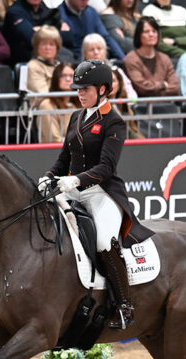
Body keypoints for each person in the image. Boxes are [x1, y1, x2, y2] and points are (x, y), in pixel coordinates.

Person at [38, 59, 153, 330]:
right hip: (71, 189)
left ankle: (125, 306)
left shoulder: (115, 122)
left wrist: (75, 180)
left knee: (103, 241)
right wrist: (50, 176)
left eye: (85, 89)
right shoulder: (77, 117)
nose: (79, 93)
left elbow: (106, 167)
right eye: (78, 89)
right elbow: (65, 156)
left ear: (103, 89)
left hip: (101, 193)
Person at [123, 17, 179, 97]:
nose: (151, 35)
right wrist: (162, 85)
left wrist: (155, 92)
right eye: (146, 31)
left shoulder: (164, 58)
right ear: (139, 35)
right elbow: (141, 88)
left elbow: (175, 87)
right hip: (141, 106)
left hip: (166, 105)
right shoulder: (131, 59)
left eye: (154, 31)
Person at [59, 0, 125, 60]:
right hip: (72, 61)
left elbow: (106, 37)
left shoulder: (91, 12)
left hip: (95, 59)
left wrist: (123, 59)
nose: (85, 1)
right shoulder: (58, 14)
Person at [2, 0, 63, 64]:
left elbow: (69, 37)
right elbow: (31, 38)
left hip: (47, 59)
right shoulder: (14, 11)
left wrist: (39, 30)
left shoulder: (46, 9)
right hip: (23, 62)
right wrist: (50, 30)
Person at [82, 33, 136, 99]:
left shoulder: (116, 70)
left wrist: (129, 104)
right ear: (85, 53)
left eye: (99, 49)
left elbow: (132, 96)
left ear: (105, 51)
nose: (96, 52)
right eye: (91, 50)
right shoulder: (80, 74)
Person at [36, 61, 79, 142]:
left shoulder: (77, 103)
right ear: (56, 78)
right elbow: (54, 139)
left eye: (71, 76)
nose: (68, 79)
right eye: (63, 76)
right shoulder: (47, 105)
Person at [108, 65, 142, 138]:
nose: (109, 84)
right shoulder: (99, 106)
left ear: (119, 83)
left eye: (113, 81)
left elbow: (133, 130)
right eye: (106, 81)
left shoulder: (124, 104)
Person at [26, 24, 61, 93]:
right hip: (43, 102)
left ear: (57, 47)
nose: (48, 48)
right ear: (36, 47)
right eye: (43, 44)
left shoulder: (59, 66)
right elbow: (43, 95)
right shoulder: (32, 67)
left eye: (52, 44)